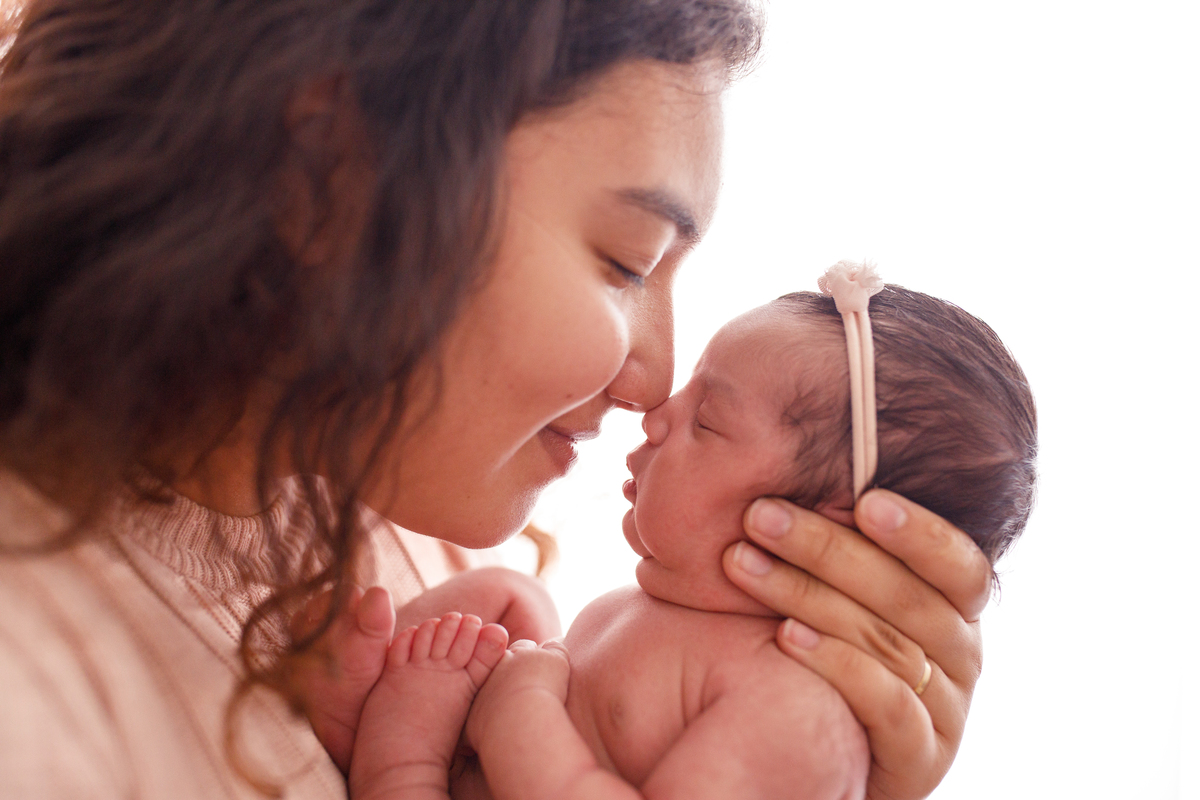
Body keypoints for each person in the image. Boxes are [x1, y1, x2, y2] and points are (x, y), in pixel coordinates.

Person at [0, 3, 994, 799]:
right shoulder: (36, 697)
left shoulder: (394, 521)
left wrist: (817, 764)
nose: (653, 380)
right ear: (326, 175)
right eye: (625, 261)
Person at [303, 275, 1037, 800]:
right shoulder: (655, 612)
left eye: (707, 421)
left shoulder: (794, 710)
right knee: (507, 597)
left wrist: (520, 711)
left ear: (818, 533)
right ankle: (367, 716)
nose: (655, 412)